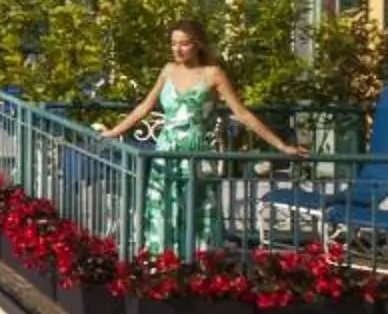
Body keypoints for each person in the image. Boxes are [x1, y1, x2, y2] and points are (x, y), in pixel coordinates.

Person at [99, 19, 303, 252]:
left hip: (196, 155)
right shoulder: (168, 70)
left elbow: (242, 114)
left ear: (198, 45)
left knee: (199, 215)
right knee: (163, 211)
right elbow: (145, 107)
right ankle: (162, 265)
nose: (177, 49)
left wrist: (281, 146)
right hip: (165, 153)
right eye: (173, 43)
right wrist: (114, 131)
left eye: (184, 44)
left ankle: (198, 265)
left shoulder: (213, 74)